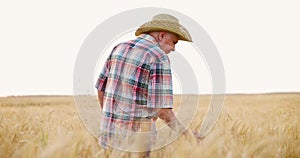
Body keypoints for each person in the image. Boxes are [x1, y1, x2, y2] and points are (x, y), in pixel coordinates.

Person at [95, 13, 199, 158]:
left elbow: (101, 90)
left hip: (108, 139)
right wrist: (189, 135)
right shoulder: (158, 57)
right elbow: (163, 111)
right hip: (137, 144)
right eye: (174, 42)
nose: (174, 48)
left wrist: (112, 120)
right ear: (162, 35)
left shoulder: (119, 48)